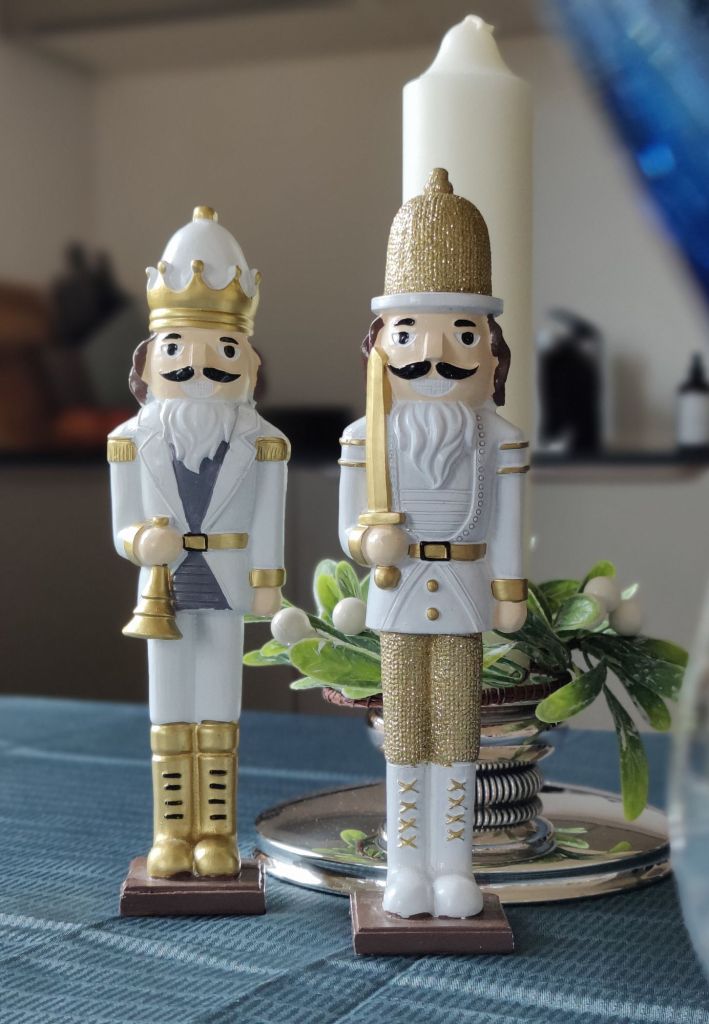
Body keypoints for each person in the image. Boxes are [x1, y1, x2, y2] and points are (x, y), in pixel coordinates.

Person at [339, 170, 528, 919]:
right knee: (404, 730)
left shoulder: (499, 439)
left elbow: (507, 521)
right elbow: (350, 528)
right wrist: (369, 541)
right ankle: (405, 863)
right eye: (409, 334)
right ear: (379, 347)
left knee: (456, 728)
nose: (434, 355)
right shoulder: (366, 438)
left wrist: (509, 589)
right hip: (397, 592)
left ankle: (453, 865)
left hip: (465, 592)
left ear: (491, 352)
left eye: (462, 335)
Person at [108, 206, 288, 879]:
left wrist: (267, 583)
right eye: (177, 349)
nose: (198, 367)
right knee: (169, 712)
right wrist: (140, 542)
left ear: (248, 362)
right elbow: (122, 524)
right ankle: (170, 830)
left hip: (228, 583)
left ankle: (217, 833)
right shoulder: (130, 441)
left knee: (219, 709)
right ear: (149, 359)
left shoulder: (263, 443)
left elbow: (268, 519)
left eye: (223, 350)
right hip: (163, 592)